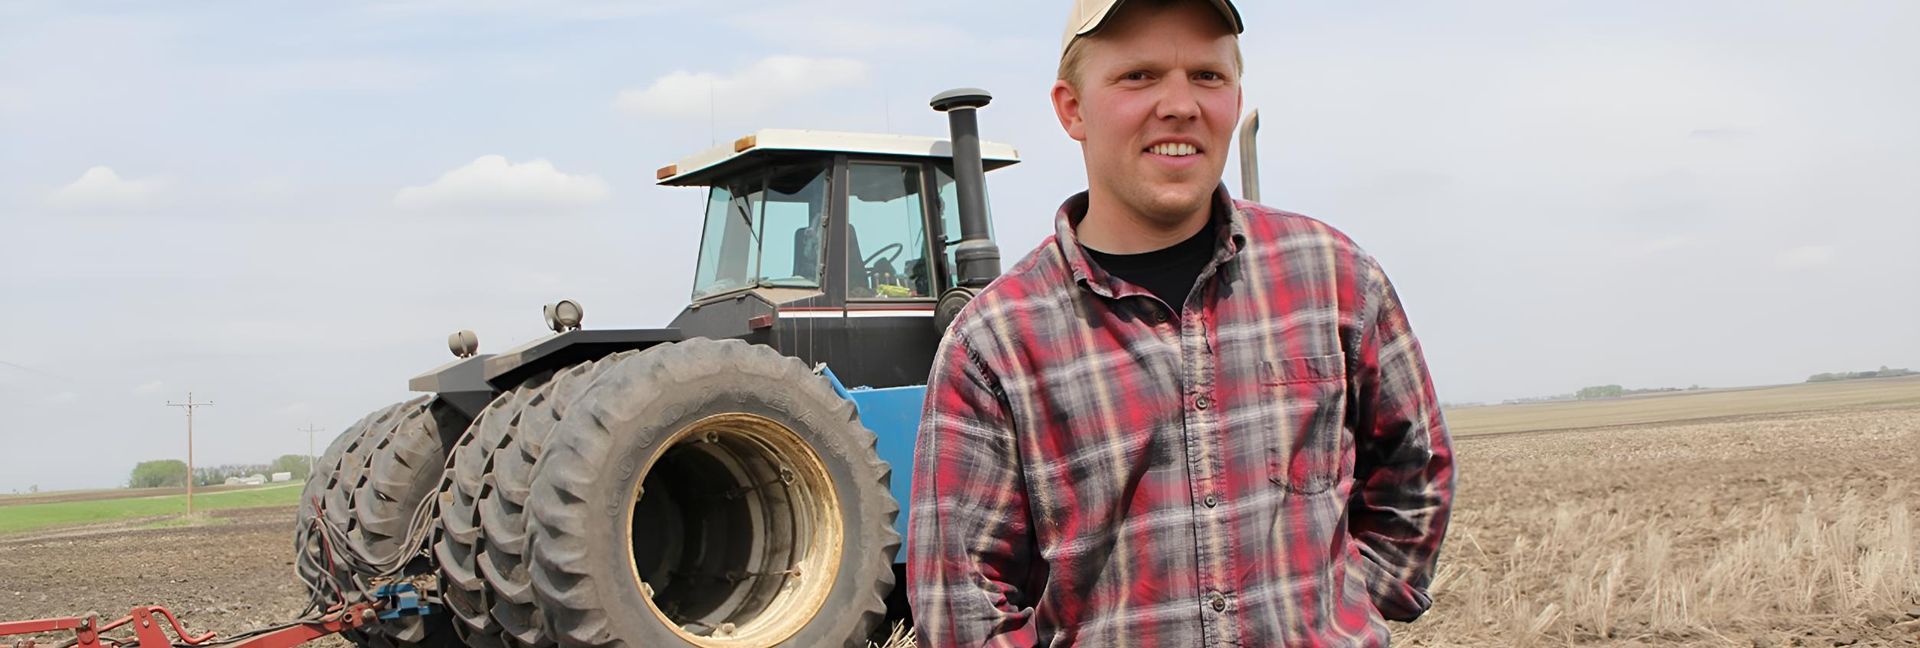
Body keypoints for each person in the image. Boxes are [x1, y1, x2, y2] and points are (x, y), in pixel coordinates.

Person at [906, 0, 1456, 645]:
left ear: (1235, 96)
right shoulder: (994, 342)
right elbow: (962, 604)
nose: (1179, 104)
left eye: (1207, 75)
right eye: (1138, 76)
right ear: (1072, 109)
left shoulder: (1332, 277)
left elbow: (1414, 470)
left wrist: (1346, 607)